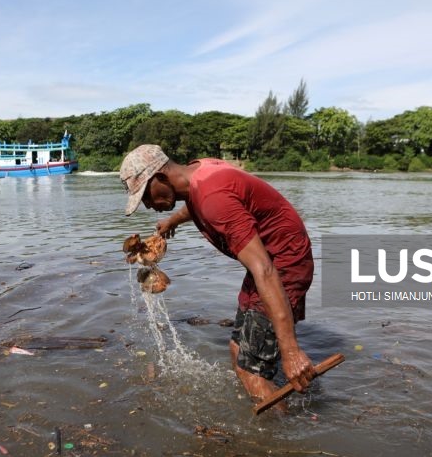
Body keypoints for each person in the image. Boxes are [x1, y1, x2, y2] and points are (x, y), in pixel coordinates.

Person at [120, 144, 316, 411]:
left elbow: (265, 270)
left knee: (252, 372)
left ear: (161, 178)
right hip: (271, 258)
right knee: (238, 349)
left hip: (283, 264)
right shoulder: (199, 173)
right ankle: (272, 386)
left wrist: (291, 350)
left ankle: (279, 441)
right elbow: (195, 202)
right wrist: (173, 221)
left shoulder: (214, 198)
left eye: (145, 195)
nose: (147, 204)